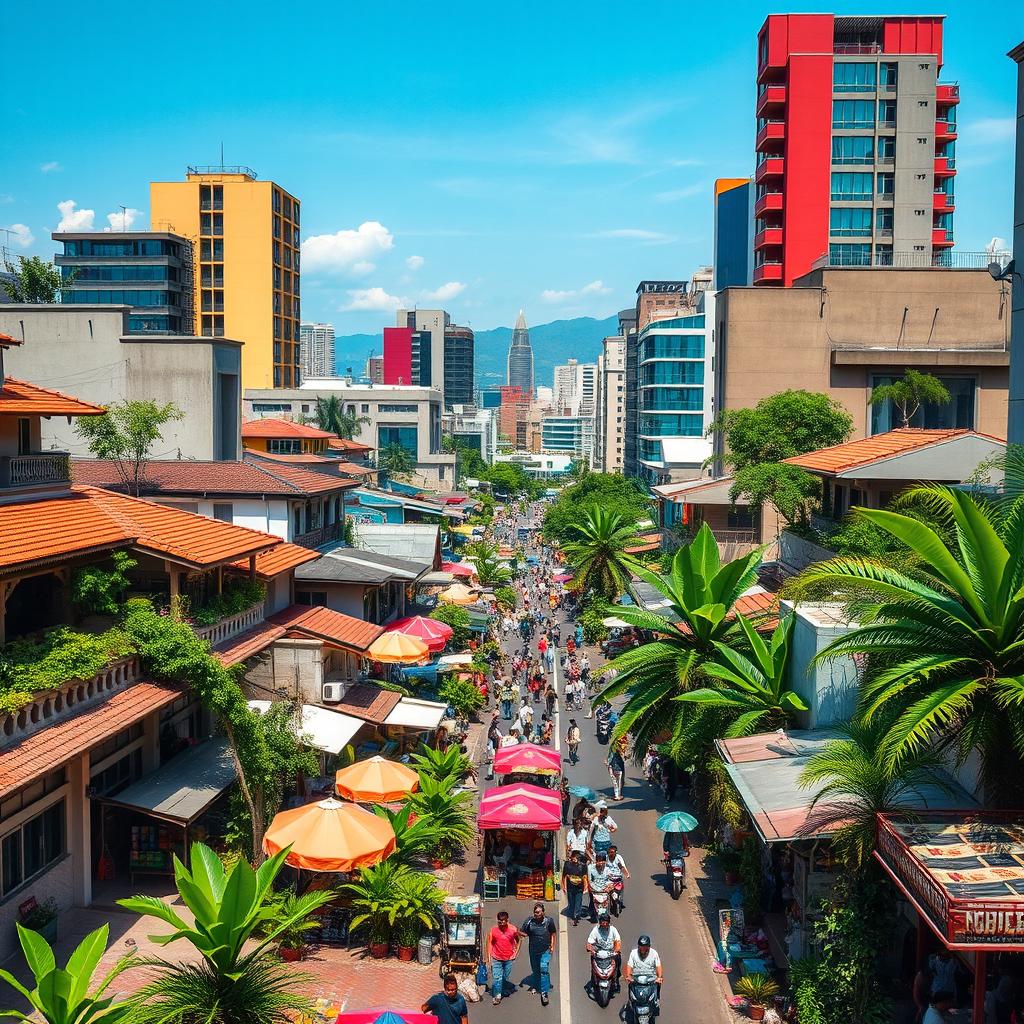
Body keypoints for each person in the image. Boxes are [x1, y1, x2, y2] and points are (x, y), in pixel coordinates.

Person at [520, 902, 557, 1007]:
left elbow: (553, 933)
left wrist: (553, 946)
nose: (537, 914)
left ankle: (544, 993)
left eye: (539, 912)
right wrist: (524, 934)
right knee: (536, 970)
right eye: (535, 912)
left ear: (543, 912)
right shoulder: (529, 921)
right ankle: (536, 985)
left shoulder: (549, 921)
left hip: (545, 950)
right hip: (533, 951)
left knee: (543, 969)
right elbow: (522, 932)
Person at [486, 911, 521, 1005]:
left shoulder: (513, 929)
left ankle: (503, 989)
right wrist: (488, 957)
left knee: (505, 977)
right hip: (496, 958)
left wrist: (516, 953)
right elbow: (489, 942)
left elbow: (519, 940)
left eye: (503, 921)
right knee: (497, 978)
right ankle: (497, 995)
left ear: (507, 920)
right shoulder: (493, 930)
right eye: (500, 921)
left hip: (508, 959)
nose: (501, 923)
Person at [587, 911, 622, 993]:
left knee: (617, 964)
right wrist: (591, 949)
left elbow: (618, 941)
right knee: (593, 966)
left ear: (608, 923)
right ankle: (593, 982)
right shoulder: (595, 930)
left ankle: (615, 982)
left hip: (611, 953)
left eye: (606, 923)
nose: (604, 924)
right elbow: (589, 942)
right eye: (602, 922)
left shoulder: (613, 930)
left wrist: (616, 950)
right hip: (598, 954)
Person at [624, 935, 663, 1007]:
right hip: (636, 977)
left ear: (649, 946)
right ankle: (631, 1000)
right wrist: (628, 976)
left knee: (657, 985)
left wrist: (659, 977)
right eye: (641, 946)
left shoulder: (654, 953)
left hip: (650, 977)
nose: (643, 948)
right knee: (630, 985)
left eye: (645, 946)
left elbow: (658, 966)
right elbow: (629, 966)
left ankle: (656, 998)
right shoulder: (633, 953)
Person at [561, 849, 588, 926]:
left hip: (579, 888)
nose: (574, 858)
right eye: (573, 856)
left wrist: (585, 888)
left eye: (576, 857)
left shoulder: (583, 866)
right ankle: (572, 914)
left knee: (578, 903)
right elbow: (564, 876)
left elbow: (585, 877)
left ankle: (576, 917)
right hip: (570, 888)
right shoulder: (567, 865)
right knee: (571, 903)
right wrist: (564, 887)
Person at [587, 851, 613, 921]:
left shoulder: (608, 869)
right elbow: (590, 881)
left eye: (602, 861)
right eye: (598, 861)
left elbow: (610, 880)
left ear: (605, 861)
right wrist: (595, 889)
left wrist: (609, 887)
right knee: (593, 903)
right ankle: (592, 914)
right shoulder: (590, 868)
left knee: (609, 902)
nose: (600, 863)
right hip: (595, 891)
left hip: (605, 891)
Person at [606, 844, 631, 909]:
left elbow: (622, 866)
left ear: (615, 852)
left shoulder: (618, 858)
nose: (610, 854)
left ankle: (620, 902)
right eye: (609, 852)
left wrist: (627, 874)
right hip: (609, 878)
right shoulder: (606, 858)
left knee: (621, 889)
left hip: (618, 877)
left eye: (612, 852)